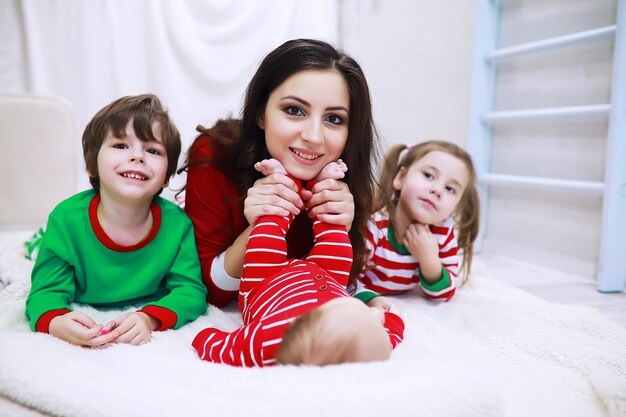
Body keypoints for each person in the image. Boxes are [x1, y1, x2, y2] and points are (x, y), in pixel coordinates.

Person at [181, 38, 379, 307]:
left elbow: (327, 291)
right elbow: (213, 292)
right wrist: (259, 225)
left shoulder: (342, 177)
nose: (312, 136)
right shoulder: (214, 154)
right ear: (261, 113)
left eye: (333, 119)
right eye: (294, 110)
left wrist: (339, 231)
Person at [25, 94, 208, 347]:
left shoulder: (177, 225)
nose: (138, 157)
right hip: (64, 234)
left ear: (166, 177)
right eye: (121, 145)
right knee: (33, 248)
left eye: (153, 150)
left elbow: (191, 292)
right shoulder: (66, 220)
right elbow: (45, 293)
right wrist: (56, 321)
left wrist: (149, 318)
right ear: (92, 164)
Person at [192, 159, 404, 366]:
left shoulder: (274, 341)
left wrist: (207, 337)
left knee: (266, 234)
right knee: (336, 239)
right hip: (330, 277)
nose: (372, 314)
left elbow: (224, 347)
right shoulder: (372, 344)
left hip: (264, 284)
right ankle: (322, 189)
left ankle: (282, 184)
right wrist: (390, 317)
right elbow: (392, 328)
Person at [354, 140, 480, 305]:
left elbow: (444, 294)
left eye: (450, 189)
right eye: (428, 175)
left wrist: (429, 260)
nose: (437, 190)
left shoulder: (443, 232)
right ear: (400, 177)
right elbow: (343, 278)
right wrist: (370, 299)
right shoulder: (374, 225)